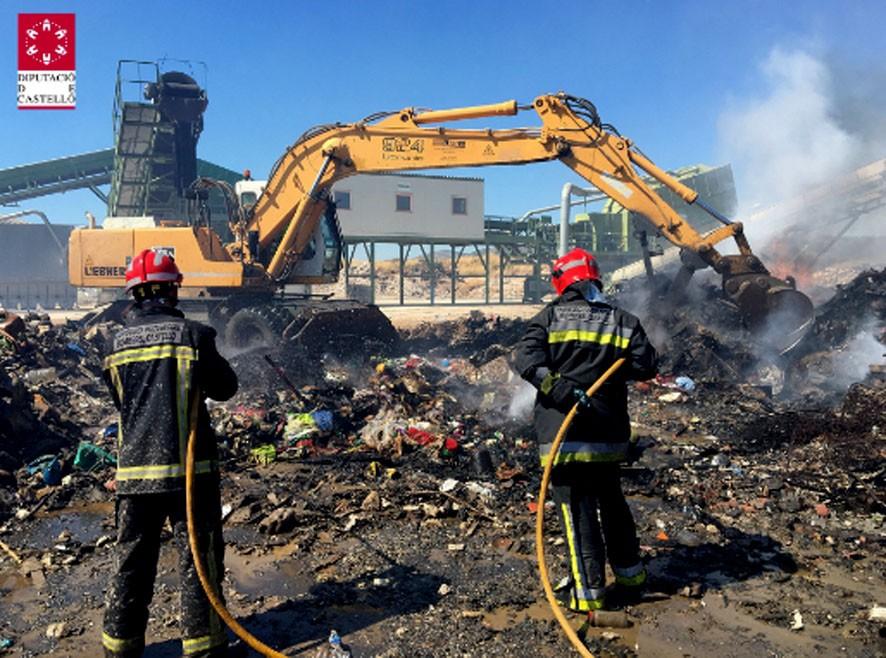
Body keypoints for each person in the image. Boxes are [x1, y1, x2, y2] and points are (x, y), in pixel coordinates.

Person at [101, 249, 239, 658]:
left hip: (134, 474)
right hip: (190, 474)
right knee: (199, 561)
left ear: (134, 294)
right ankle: (204, 648)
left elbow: (122, 402)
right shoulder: (195, 336)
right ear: (173, 290)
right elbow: (226, 389)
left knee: (131, 561)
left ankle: (120, 649)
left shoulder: (115, 346)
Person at [513, 247, 658, 614]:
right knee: (612, 504)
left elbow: (526, 360)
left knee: (578, 513)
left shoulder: (547, 319)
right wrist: (609, 369)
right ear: (594, 279)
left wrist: (558, 388)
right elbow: (646, 365)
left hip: (564, 436)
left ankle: (588, 595)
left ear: (562, 282)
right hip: (607, 437)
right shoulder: (623, 321)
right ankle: (632, 578)